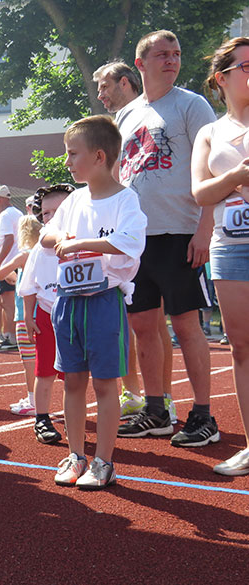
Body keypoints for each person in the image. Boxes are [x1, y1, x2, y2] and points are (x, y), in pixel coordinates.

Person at [116, 30, 219, 447]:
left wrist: (204, 229)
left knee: (186, 325)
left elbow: (213, 169)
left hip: (180, 233)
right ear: (140, 64)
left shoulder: (192, 105)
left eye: (176, 54)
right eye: (162, 54)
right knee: (142, 325)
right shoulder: (126, 115)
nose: (172, 60)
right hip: (138, 239)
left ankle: (203, 415)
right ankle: (156, 410)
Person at [42, 115, 147, 489]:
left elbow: (131, 242)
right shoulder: (73, 200)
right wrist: (57, 236)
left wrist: (81, 244)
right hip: (69, 301)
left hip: (105, 302)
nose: (67, 162)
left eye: (73, 154)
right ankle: (75, 455)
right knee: (72, 381)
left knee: (104, 384)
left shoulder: (125, 200)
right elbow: (47, 232)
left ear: (99, 156)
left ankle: (104, 461)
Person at [93, 58, 177, 424]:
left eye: (105, 87)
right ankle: (133, 393)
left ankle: (165, 398)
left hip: (160, 228)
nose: (100, 95)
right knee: (132, 320)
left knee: (155, 321)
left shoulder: (155, 111)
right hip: (124, 231)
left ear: (125, 82)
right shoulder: (119, 122)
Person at [191, 37, 249, 473]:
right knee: (242, 348)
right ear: (222, 78)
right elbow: (200, 192)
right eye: (247, 66)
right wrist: (237, 176)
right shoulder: (210, 132)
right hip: (230, 248)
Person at [17, 184, 73, 444]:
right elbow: (28, 287)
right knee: (45, 371)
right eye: (47, 213)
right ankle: (42, 418)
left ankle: (75, 417)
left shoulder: (82, 242)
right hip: (47, 316)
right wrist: (28, 317)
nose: (51, 217)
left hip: (75, 314)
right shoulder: (40, 249)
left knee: (74, 373)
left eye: (58, 211)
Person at [0, 215, 41, 416]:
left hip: (25, 316)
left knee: (29, 361)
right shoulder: (44, 253)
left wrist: (13, 275)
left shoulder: (23, 256)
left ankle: (33, 399)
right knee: (45, 359)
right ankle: (39, 399)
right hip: (44, 312)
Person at [0, 185, 23, 349]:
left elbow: (8, 240)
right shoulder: (16, 214)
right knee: (4, 300)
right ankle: (9, 335)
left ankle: (11, 337)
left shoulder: (6, 216)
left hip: (9, 264)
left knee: (8, 302)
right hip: (13, 263)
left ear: (1, 199)